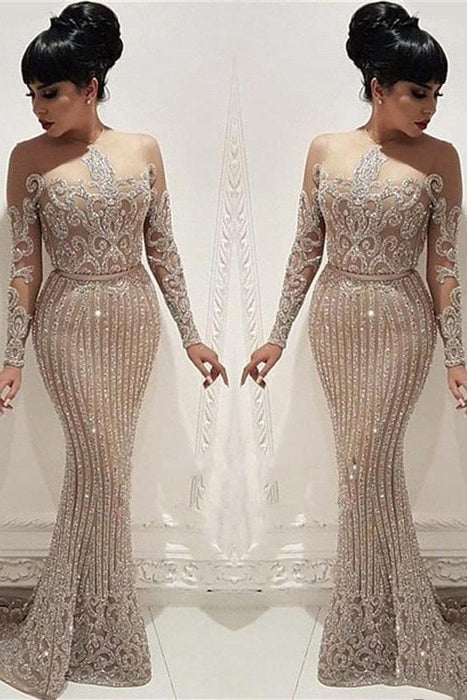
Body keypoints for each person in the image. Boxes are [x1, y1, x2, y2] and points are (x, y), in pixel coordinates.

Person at [0, 2, 228, 698]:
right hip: (66, 323)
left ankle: (91, 617)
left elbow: (163, 250)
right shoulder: (26, 159)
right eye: (32, 94)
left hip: (132, 321)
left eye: (51, 92)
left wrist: (191, 333)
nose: (39, 108)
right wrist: (12, 355)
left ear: (91, 86)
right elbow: (24, 267)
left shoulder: (143, 149)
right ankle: (84, 620)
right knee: (96, 462)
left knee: (109, 467)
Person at [241, 1, 467, 697]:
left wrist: (456, 355)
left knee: (371, 460)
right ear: (377, 85)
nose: (429, 108)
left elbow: (444, 266)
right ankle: (374, 616)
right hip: (336, 321)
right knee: (358, 466)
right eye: (416, 92)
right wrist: (276, 333)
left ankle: (382, 620)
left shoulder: (441, 159)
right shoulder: (325, 149)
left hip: (403, 322)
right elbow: (305, 250)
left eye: (436, 95)